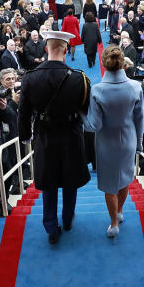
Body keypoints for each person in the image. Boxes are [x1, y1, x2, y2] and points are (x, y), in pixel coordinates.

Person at [18, 29, 92, 244]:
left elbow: (23, 113)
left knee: (49, 182)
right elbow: (86, 110)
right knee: (70, 181)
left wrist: (25, 137)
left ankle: (51, 226)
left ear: (46, 49)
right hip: (71, 135)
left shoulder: (30, 78)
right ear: (66, 49)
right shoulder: (80, 78)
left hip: (45, 136)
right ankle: (68, 219)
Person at [83, 45, 144, 238]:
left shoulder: (97, 89)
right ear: (123, 63)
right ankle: (119, 212)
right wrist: (139, 144)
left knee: (110, 185)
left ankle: (113, 223)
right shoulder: (136, 86)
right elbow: (140, 118)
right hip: (128, 140)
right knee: (125, 179)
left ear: (103, 63)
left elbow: (94, 125)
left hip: (106, 144)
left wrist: (81, 114)